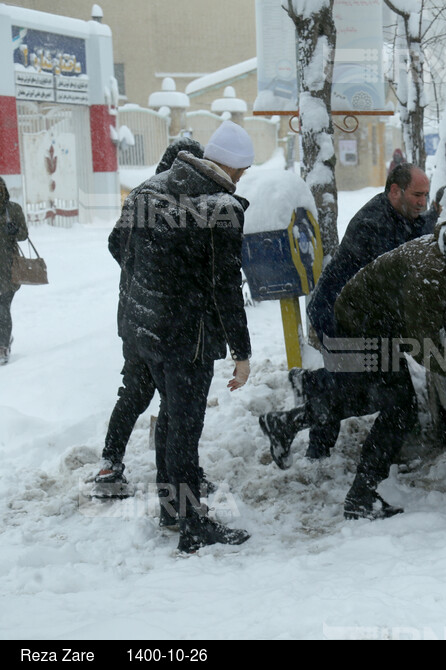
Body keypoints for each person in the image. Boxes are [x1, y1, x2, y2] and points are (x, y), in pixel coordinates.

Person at [259, 219, 446, 520]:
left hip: (388, 322)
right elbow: (423, 346)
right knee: (398, 408)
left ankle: (287, 422)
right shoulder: (427, 275)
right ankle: (361, 496)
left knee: (371, 397)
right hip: (363, 322)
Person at [121, 121, 254, 553]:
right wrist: (242, 351)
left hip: (146, 327)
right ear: (233, 167)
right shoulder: (220, 207)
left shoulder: (150, 189)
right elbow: (225, 286)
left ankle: (170, 508)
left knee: (171, 416)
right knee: (185, 427)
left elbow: (122, 251)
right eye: (242, 171)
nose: (240, 180)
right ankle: (193, 526)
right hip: (187, 336)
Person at [272, 163, 430, 466]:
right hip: (339, 316)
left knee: (363, 388)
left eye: (426, 195)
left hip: (366, 318)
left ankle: (309, 392)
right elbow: (392, 285)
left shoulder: (406, 215)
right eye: (417, 195)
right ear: (395, 192)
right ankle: (321, 448)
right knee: (358, 391)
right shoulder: (373, 226)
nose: (422, 202)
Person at [93, 138, 209, 497]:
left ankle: (120, 466)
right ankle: (173, 481)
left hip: (136, 315)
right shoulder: (172, 201)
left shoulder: (144, 195)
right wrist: (150, 274)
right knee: (167, 400)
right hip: (157, 319)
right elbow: (118, 243)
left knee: (140, 393)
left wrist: (138, 273)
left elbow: (116, 243)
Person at [0, 177, 28, 366]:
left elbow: (24, 235)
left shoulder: (14, 209)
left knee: (2, 307)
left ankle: (2, 345)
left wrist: (15, 230)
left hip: (8, 268)